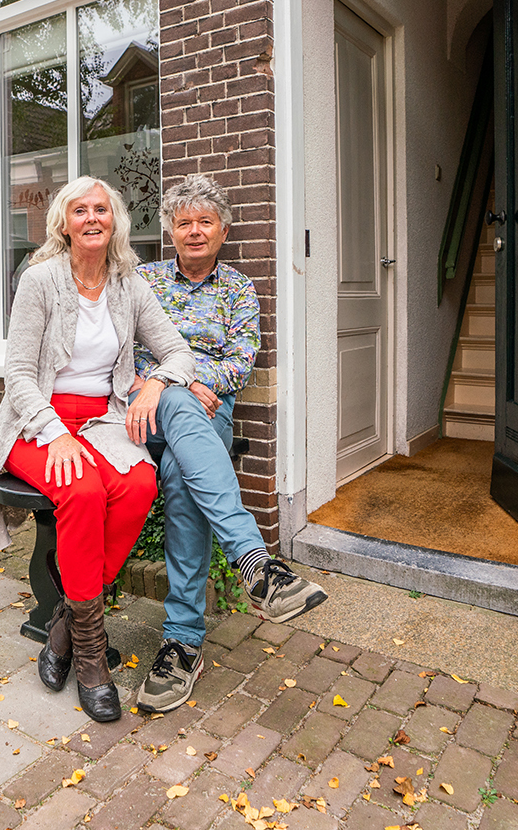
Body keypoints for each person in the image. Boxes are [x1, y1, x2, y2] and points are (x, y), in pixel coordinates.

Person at [0, 176, 196, 722]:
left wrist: (156, 383)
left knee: (141, 484)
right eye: (81, 210)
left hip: (102, 419)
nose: (92, 218)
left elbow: (178, 351)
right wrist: (53, 433)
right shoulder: (40, 280)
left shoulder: (129, 284)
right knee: (84, 491)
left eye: (102, 209)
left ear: (114, 221)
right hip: (35, 422)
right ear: (64, 223)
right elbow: (19, 374)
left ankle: (65, 630)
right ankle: (92, 659)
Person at [132, 173, 328, 714]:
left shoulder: (239, 288)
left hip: (206, 415)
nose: (194, 231)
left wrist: (189, 383)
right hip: (145, 410)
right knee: (172, 398)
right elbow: (126, 351)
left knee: (179, 476)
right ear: (170, 230)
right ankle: (256, 564)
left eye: (205, 222)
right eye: (183, 222)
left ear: (223, 230)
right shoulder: (144, 280)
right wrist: (181, 379)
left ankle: (182, 641)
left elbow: (240, 364)